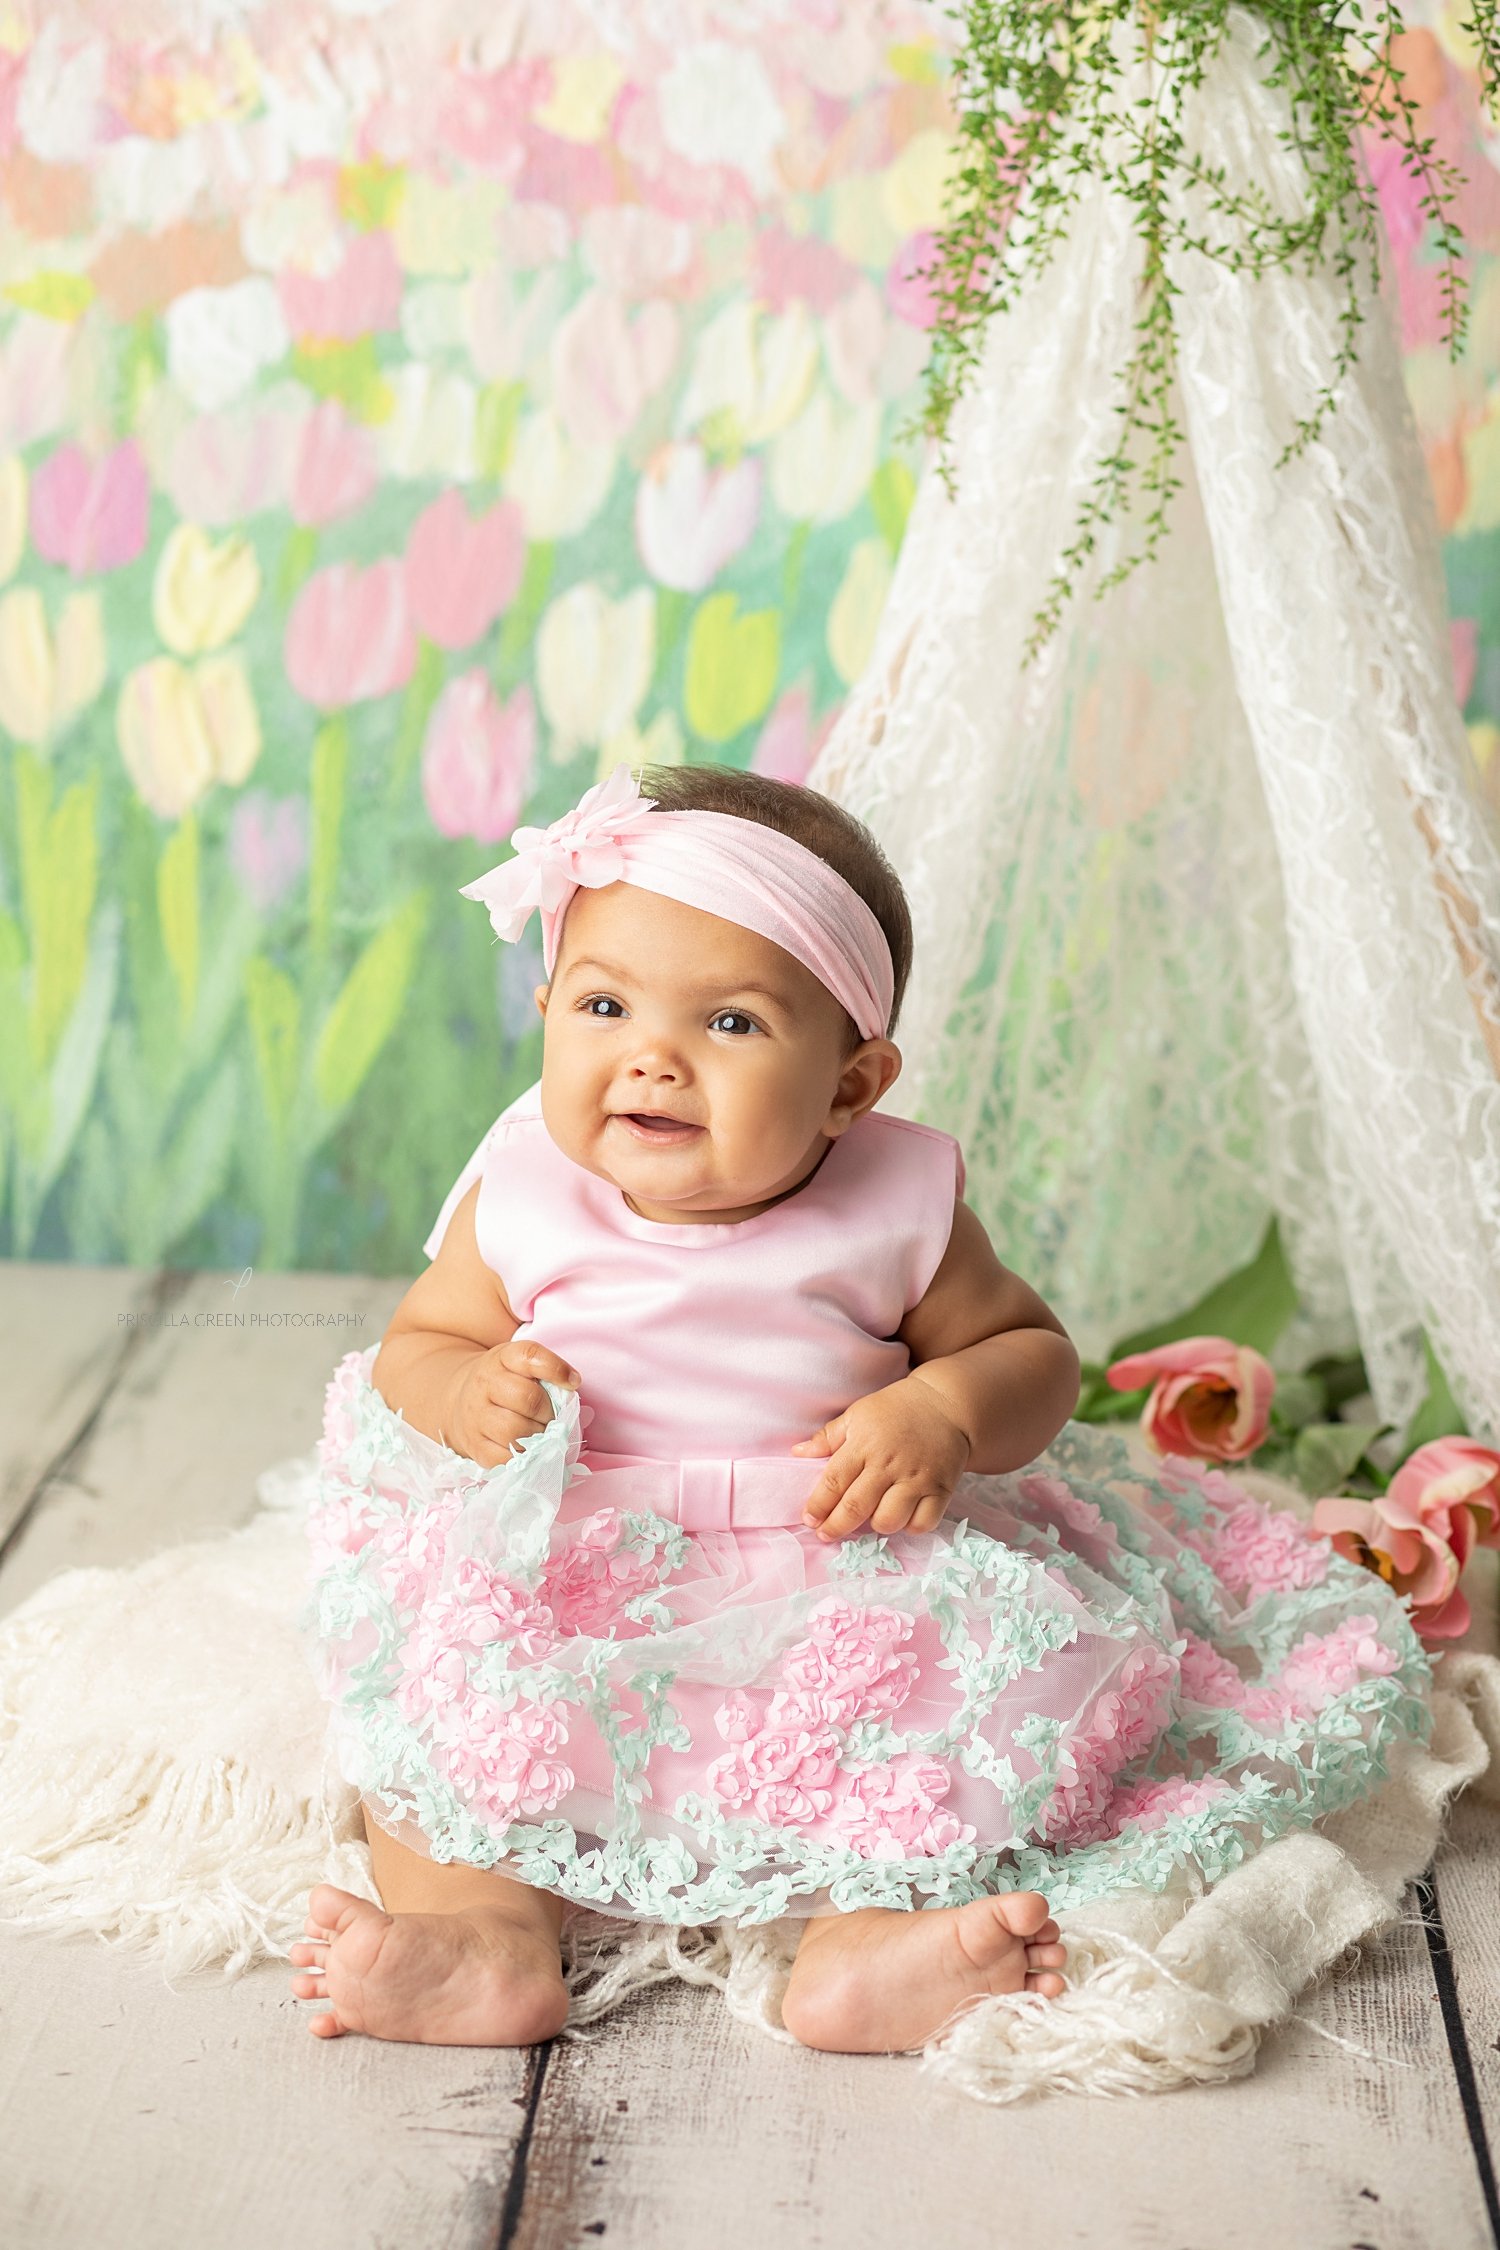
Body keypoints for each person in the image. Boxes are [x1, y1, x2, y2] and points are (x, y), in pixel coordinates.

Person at [289, 762, 1430, 2053]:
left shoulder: (901, 1200)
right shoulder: (524, 1186)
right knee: (452, 1729)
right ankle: (485, 1941)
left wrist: (944, 1406)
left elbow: (1031, 1352)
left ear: (851, 1081)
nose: (649, 1055)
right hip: (580, 1558)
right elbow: (420, 1340)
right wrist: (463, 1386)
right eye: (602, 1003)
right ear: (546, 1006)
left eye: (729, 1023)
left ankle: (860, 1948)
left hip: (837, 1562)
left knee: (921, 1737)